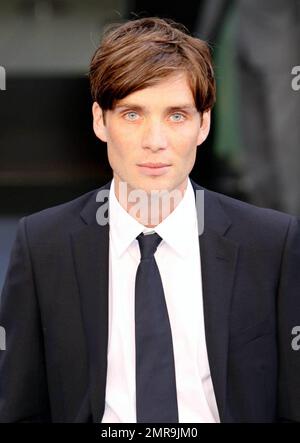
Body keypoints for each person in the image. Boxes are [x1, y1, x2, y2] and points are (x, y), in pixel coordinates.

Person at [0, 17, 300, 423]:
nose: (154, 141)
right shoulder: (43, 245)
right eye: (132, 114)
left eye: (176, 115)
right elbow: (20, 407)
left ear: (204, 123)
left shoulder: (270, 244)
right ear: (99, 121)